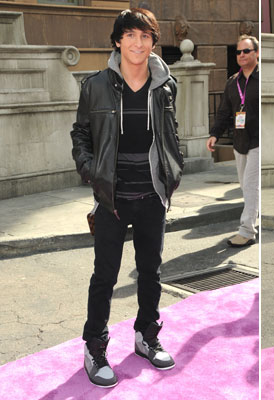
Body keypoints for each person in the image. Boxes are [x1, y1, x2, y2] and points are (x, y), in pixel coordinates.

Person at [70, 8, 183, 388]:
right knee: (105, 275)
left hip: (152, 194)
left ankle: (146, 335)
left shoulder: (165, 85)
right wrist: (91, 172)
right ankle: (94, 345)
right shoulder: (96, 85)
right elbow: (81, 133)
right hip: (112, 198)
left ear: (153, 42)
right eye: (131, 35)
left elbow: (170, 132)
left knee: (151, 272)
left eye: (145, 36)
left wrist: (174, 169)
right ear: (118, 41)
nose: (138, 43)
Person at [206, 35, 259, 247]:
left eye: (246, 51)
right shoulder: (232, 82)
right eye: (238, 52)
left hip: (259, 141)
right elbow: (224, 112)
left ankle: (247, 231)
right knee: (246, 186)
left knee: (251, 185)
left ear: (257, 53)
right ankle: (254, 218)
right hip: (240, 141)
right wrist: (214, 134)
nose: (241, 55)